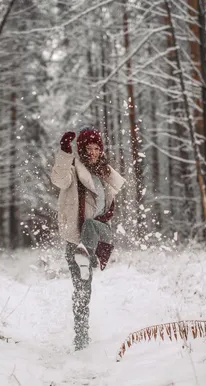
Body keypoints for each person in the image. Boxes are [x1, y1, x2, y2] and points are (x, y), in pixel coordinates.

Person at [51, 127, 125, 350]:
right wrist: (65, 153)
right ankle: (81, 336)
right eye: (88, 148)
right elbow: (59, 180)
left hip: (99, 232)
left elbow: (110, 202)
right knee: (83, 289)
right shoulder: (73, 170)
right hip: (76, 239)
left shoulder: (104, 173)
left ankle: (87, 251)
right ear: (81, 150)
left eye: (96, 148)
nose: (92, 152)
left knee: (93, 225)